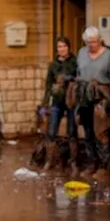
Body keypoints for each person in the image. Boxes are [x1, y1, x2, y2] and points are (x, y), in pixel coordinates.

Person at [76, 26, 110, 173]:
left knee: (101, 132)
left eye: (94, 42)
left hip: (101, 97)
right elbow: (78, 74)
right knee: (87, 132)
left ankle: (103, 166)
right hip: (84, 96)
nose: (91, 45)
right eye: (88, 42)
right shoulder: (81, 53)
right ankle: (91, 163)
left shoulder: (108, 55)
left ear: (99, 40)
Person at [41, 37, 79, 166]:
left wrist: (70, 79)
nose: (61, 49)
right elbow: (48, 85)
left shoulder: (75, 62)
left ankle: (73, 161)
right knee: (51, 131)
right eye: (59, 47)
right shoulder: (53, 65)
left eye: (64, 46)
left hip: (71, 101)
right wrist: (45, 104)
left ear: (68, 47)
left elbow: (79, 78)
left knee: (71, 131)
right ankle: (49, 160)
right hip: (57, 101)